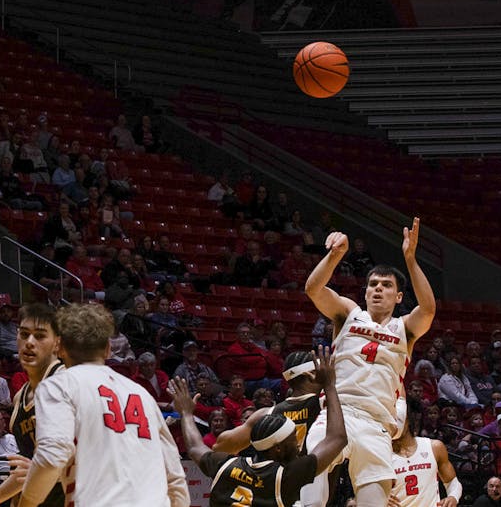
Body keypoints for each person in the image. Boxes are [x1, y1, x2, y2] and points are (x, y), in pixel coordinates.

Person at [302, 217, 436, 507]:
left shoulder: (405, 328)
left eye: (386, 285)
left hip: (377, 424)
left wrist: (411, 260)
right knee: (310, 499)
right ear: (364, 292)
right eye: (372, 284)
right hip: (338, 413)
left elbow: (428, 308)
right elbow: (313, 290)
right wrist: (334, 255)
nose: (377, 289)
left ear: (399, 296)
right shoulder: (349, 313)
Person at [17, 303, 190, 507]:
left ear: (59, 347)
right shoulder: (142, 394)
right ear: (108, 349)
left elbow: (51, 456)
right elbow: (175, 478)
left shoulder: (58, 385)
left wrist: (26, 502)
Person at [171, 347, 347, 507]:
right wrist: (329, 384)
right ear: (313, 374)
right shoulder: (330, 405)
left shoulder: (265, 415)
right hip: (297, 490)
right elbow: (338, 438)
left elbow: (218, 445)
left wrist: (186, 413)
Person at [0, 304, 65, 507]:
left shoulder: (69, 383)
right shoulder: (19, 397)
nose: (30, 343)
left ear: (57, 343)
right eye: (24, 334)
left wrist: (41, 471)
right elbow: (25, 469)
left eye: (40, 336)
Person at [213, 350, 324, 456]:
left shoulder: (265, 415)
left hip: (280, 474)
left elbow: (220, 447)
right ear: (312, 374)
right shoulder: (327, 406)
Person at [389, 417, 462, 507]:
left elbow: (452, 482)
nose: (394, 425)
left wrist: (453, 497)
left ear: (407, 420)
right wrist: (377, 497)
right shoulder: (382, 454)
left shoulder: (434, 447)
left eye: (397, 420)